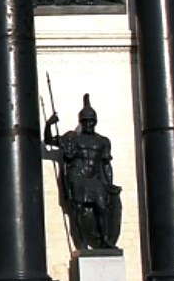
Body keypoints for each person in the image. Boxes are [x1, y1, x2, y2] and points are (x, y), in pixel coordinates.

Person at [44, 95, 123, 250]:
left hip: (95, 178)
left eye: (90, 121)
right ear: (81, 122)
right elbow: (49, 141)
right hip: (77, 177)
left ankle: (105, 239)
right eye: (85, 121)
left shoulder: (103, 141)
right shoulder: (72, 138)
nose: (88, 124)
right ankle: (82, 242)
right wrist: (48, 124)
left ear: (95, 122)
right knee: (78, 209)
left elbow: (106, 165)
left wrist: (108, 184)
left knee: (101, 207)